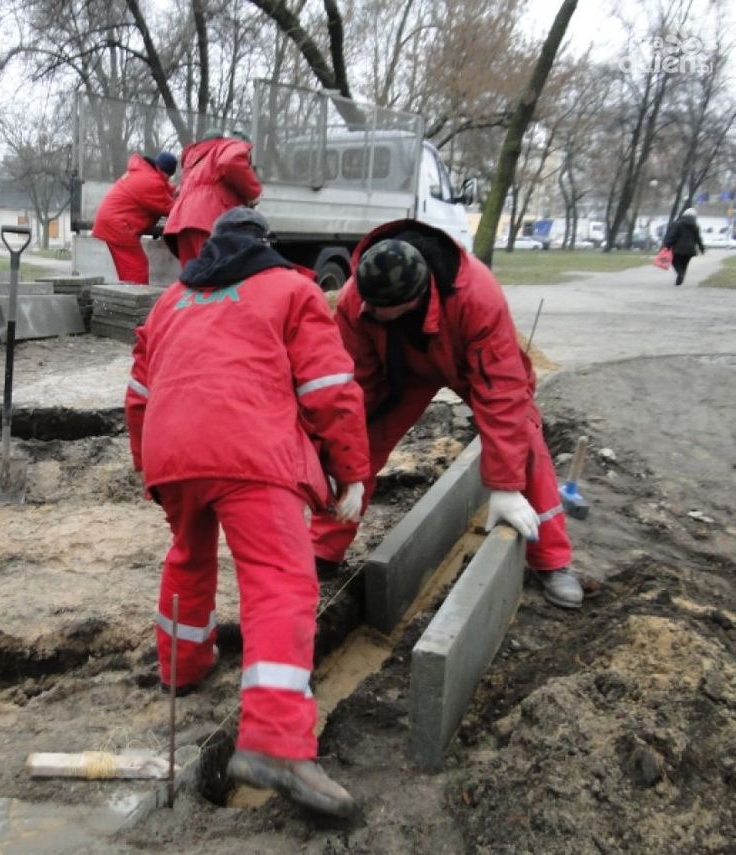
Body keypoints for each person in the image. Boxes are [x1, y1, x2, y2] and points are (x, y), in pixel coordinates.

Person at [125, 206, 370, 818]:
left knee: (187, 556)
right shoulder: (292, 288)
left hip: (172, 449)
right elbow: (328, 387)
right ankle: (277, 743)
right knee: (281, 581)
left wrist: (151, 463)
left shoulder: (169, 304)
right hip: (251, 450)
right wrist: (352, 468)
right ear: (267, 245)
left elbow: (139, 395)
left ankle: (181, 668)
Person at [311, 220, 584, 610]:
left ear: (415, 297)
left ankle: (553, 561)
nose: (367, 310)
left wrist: (504, 486)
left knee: (524, 438)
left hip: (467, 364)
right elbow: (354, 388)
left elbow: (501, 392)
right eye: (367, 304)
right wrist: (345, 458)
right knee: (362, 440)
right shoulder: (360, 298)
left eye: (380, 309)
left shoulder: (476, 296)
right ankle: (323, 547)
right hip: (401, 369)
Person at [163, 130, 262, 267]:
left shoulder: (198, 159)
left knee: (192, 278)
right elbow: (231, 161)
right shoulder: (231, 146)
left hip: (181, 221)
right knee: (216, 276)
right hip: (208, 220)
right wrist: (254, 192)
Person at [92, 152, 178, 285]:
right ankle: (136, 301)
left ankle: (127, 296)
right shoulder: (151, 182)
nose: (168, 181)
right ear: (165, 172)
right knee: (136, 267)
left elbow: (162, 186)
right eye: (168, 177)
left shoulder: (145, 172)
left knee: (128, 269)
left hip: (113, 222)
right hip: (119, 226)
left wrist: (176, 190)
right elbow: (173, 209)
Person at [661, 208, 705, 286]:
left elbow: (674, 236)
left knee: (674, 261)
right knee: (684, 264)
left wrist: (667, 245)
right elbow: (698, 238)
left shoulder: (679, 224)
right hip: (690, 250)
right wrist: (702, 248)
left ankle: (680, 274)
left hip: (678, 248)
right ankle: (681, 276)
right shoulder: (696, 226)